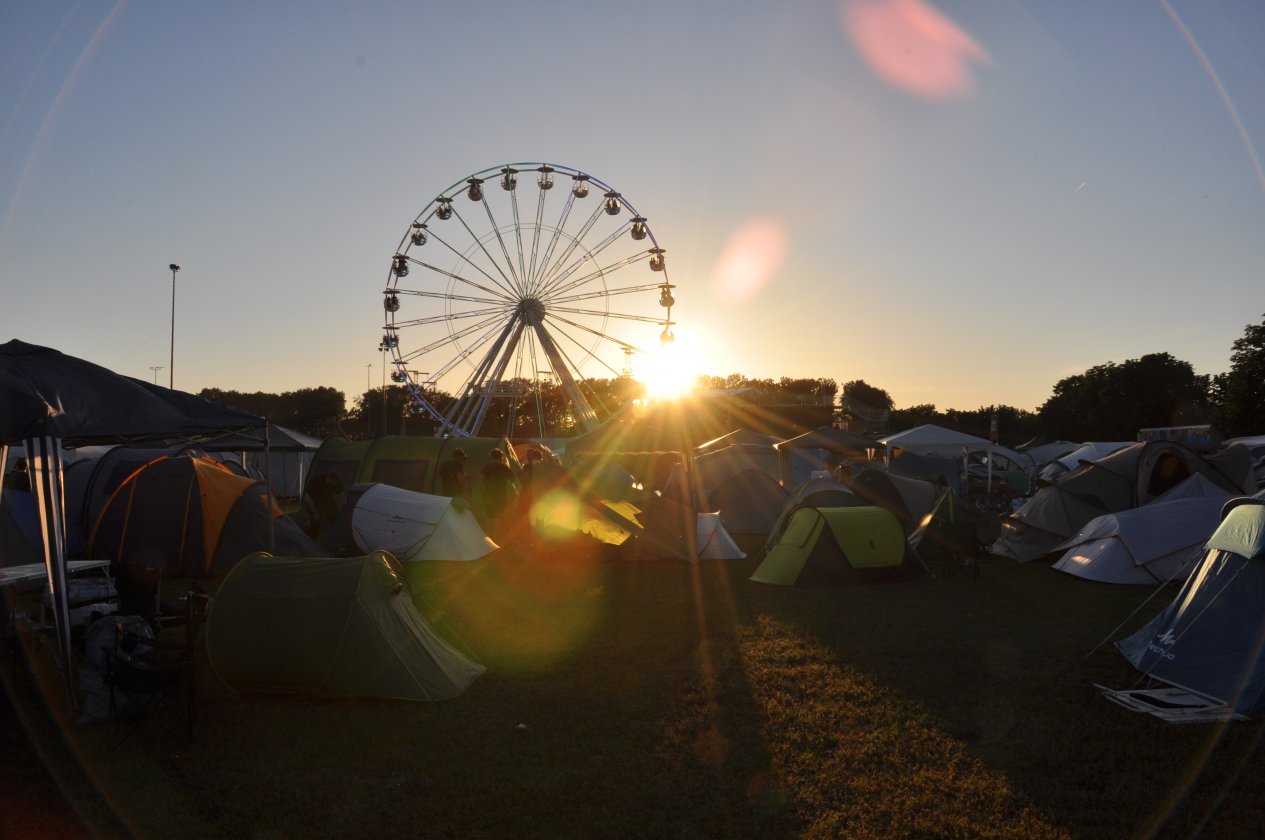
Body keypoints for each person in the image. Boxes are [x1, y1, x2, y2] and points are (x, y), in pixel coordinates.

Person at [479, 448, 516, 538]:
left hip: (488, 494)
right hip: (501, 495)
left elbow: (482, 480)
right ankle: (497, 537)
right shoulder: (504, 468)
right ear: (501, 457)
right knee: (499, 515)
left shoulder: (487, 467)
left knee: (489, 515)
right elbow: (513, 479)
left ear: (491, 457)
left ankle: (490, 535)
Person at [302, 471, 343, 540]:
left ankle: (339, 535)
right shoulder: (316, 481)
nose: (335, 485)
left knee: (335, 516)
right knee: (316, 520)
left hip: (325, 501)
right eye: (334, 483)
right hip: (312, 500)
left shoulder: (337, 482)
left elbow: (341, 495)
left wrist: (339, 509)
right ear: (329, 479)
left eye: (337, 483)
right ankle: (310, 539)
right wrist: (315, 513)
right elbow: (307, 497)